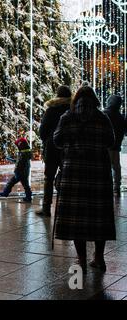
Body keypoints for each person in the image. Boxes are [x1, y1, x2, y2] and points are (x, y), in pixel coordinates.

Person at [53, 86, 116, 273]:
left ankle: (81, 260)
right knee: (99, 218)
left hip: (74, 173)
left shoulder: (67, 117)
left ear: (76, 99)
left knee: (76, 219)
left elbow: (56, 140)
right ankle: (99, 257)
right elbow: (111, 141)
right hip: (98, 174)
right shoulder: (102, 118)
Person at [36, 85, 72, 217]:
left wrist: (47, 141)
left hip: (51, 148)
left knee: (48, 178)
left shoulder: (51, 110)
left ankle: (46, 208)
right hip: (67, 148)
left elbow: (43, 130)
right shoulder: (72, 110)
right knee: (66, 177)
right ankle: (65, 207)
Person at [103, 95, 126, 196]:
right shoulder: (120, 117)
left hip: (104, 146)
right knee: (116, 167)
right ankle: (117, 186)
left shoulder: (103, 114)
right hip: (115, 146)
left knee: (104, 166)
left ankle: (105, 185)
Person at [0, 137, 32, 202]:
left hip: (20, 173)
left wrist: (16, 172)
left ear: (21, 146)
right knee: (26, 186)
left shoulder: (23, 154)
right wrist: (10, 159)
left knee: (11, 183)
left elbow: (20, 164)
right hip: (24, 173)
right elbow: (18, 161)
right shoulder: (25, 153)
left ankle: (5, 193)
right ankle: (28, 197)